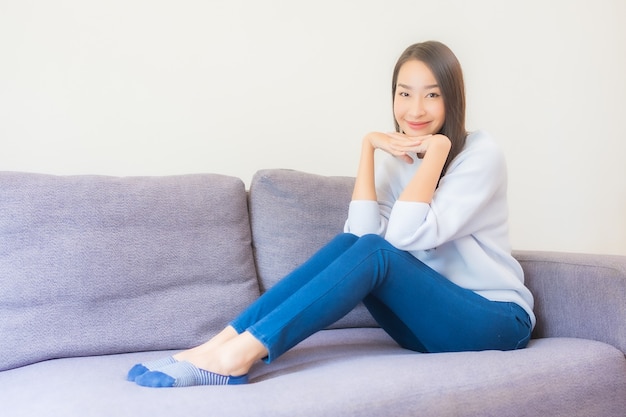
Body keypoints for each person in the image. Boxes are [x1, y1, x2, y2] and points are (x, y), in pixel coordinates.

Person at [127, 40, 535, 388]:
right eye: (404, 93)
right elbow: (359, 236)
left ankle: (238, 359)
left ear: (453, 97)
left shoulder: (482, 156)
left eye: (432, 94)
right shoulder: (400, 155)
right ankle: (216, 346)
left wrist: (440, 150)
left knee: (375, 252)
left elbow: (407, 238)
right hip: (426, 328)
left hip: (495, 320)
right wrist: (368, 150)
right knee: (353, 244)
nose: (415, 109)